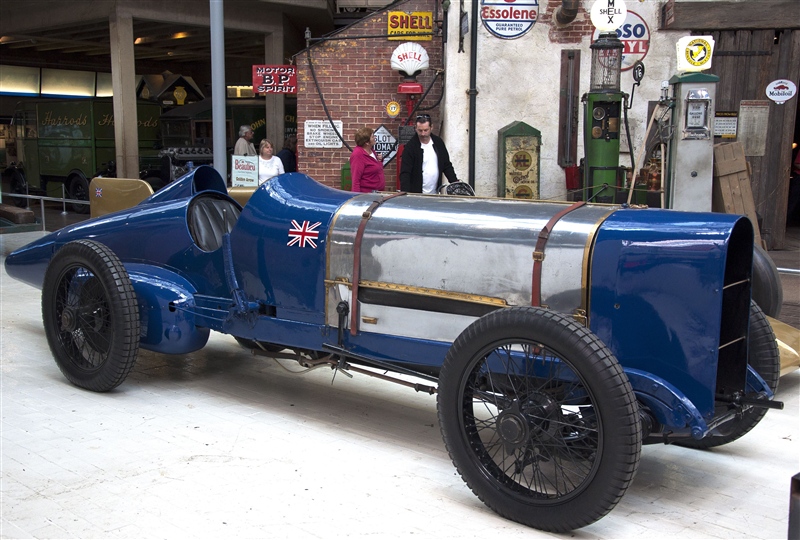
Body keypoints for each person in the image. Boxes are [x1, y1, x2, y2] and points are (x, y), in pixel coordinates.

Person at [399, 114, 458, 194]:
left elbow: (446, 165)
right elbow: (405, 173)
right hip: (417, 194)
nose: (423, 134)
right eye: (420, 130)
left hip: (435, 193)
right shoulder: (410, 147)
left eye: (426, 130)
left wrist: (455, 183)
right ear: (415, 129)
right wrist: (405, 193)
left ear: (431, 127)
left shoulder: (438, 143)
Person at [349, 126, 385, 193]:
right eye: (372, 136)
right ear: (367, 142)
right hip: (367, 195)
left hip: (377, 193)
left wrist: (380, 160)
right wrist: (357, 199)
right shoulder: (358, 155)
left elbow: (375, 168)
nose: (375, 138)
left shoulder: (371, 150)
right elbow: (355, 180)